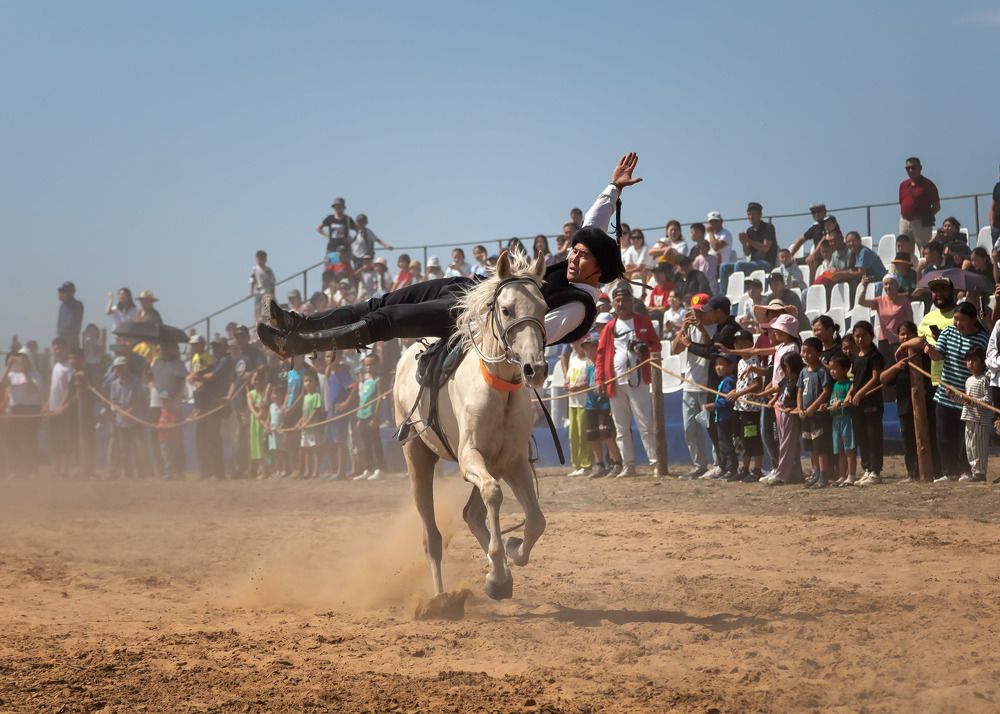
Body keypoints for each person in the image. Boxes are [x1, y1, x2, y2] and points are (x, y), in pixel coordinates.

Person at [258, 152, 643, 356]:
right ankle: (298, 323)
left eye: (582, 256)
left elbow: (527, 339)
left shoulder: (578, 307)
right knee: (379, 303)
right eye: (574, 251)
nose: (573, 257)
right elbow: (593, 223)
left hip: (472, 318)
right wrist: (613, 189)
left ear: (599, 269)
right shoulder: (576, 271)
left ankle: (299, 346)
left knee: (386, 319)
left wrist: (469, 333)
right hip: (468, 288)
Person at [898, 301, 989, 482]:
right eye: (956, 319)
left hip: (967, 397)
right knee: (944, 436)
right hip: (945, 393)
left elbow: (985, 366)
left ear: (973, 320)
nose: (958, 323)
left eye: (962, 320)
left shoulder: (982, 338)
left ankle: (966, 470)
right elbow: (938, 355)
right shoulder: (948, 332)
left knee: (965, 437)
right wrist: (928, 348)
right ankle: (948, 472)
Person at [595, 285, 661, 476]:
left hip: (639, 380)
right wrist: (600, 379)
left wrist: (644, 350)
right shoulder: (609, 327)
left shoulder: (643, 321)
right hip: (616, 382)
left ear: (631, 301)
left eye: (624, 300)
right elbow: (600, 355)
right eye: (617, 300)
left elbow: (656, 345)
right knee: (621, 427)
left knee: (645, 423)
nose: (620, 304)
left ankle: (655, 462)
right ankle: (628, 464)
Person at [880, 321, 939, 482]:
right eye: (902, 334)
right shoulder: (896, 355)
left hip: (927, 402)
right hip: (905, 405)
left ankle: (935, 471)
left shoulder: (922, 349)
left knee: (931, 436)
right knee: (909, 439)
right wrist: (896, 367)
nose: (905, 337)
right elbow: (883, 378)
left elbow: (920, 341)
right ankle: (912, 473)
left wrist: (904, 346)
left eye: (908, 333)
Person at [845, 321, 885, 485]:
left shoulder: (874, 356)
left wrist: (861, 393)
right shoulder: (856, 357)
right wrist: (850, 394)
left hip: (871, 401)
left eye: (863, 336)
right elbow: (855, 380)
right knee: (862, 437)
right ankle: (867, 468)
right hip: (857, 404)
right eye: (857, 336)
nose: (860, 339)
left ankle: (875, 471)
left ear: (871, 336)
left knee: (873, 436)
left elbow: (875, 378)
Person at [726, 329, 764, 483]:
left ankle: (757, 469)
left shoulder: (754, 361)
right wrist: (735, 391)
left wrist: (740, 394)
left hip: (751, 409)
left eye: (743, 343)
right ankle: (745, 468)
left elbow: (757, 385)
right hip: (739, 408)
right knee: (740, 439)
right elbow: (741, 382)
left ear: (751, 344)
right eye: (737, 343)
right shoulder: (740, 362)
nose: (740, 346)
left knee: (752, 438)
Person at [582, 334, 622, 478]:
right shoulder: (589, 368)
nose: (588, 352)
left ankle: (616, 463)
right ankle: (599, 464)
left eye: (591, 348)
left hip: (605, 403)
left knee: (607, 434)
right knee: (592, 435)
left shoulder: (606, 365)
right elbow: (588, 384)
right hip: (591, 404)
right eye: (586, 349)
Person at [798, 338, 833, 489]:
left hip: (818, 415)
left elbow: (826, 391)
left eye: (809, 352)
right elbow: (799, 391)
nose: (805, 355)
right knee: (811, 447)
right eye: (803, 352)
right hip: (806, 415)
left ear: (818, 353)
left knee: (820, 446)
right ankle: (816, 473)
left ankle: (824, 475)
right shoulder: (803, 372)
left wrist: (813, 407)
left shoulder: (822, 371)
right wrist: (800, 408)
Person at [2, 351, 43, 478]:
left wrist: (25, 372)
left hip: (30, 410)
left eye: (23, 360)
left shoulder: (35, 374)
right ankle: (15, 470)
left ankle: (32, 470)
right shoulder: (11, 374)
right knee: (13, 441)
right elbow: (1, 384)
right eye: (18, 360)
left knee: (30, 441)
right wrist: (8, 366)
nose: (21, 362)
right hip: (15, 410)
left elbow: (34, 389)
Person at [151, 340, 188, 480]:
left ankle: (179, 471)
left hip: (174, 405)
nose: (163, 351)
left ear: (173, 349)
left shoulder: (178, 364)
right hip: (157, 403)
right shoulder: (156, 362)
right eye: (161, 348)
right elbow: (149, 376)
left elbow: (179, 383)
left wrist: (171, 398)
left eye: (166, 348)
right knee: (159, 441)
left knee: (176, 441)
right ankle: (162, 470)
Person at [719, 202, 778, 286]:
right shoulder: (749, 231)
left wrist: (748, 240)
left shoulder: (768, 227)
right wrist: (743, 243)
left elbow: (765, 248)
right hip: (753, 263)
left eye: (753, 214)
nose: (750, 217)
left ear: (760, 215)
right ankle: (723, 293)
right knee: (723, 267)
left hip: (767, 263)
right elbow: (747, 253)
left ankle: (739, 289)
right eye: (749, 214)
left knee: (739, 265)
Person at [857, 274, 913, 360]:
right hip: (884, 340)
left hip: (900, 340)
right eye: (886, 284)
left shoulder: (905, 301)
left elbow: (910, 321)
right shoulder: (879, 300)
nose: (888, 286)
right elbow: (861, 302)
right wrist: (864, 287)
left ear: (897, 286)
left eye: (891, 283)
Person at [917, 275, 959, 385]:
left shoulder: (963, 314)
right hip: (937, 380)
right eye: (935, 290)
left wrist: (944, 339)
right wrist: (904, 346)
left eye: (943, 289)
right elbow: (920, 341)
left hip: (960, 379)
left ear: (952, 292)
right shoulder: (927, 318)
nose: (939, 294)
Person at [959, 346, 992, 483]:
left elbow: (988, 401)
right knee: (970, 447)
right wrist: (953, 396)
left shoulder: (985, 379)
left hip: (981, 420)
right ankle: (974, 471)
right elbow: (965, 401)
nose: (970, 363)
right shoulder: (968, 380)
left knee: (979, 446)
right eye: (968, 360)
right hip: (969, 417)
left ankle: (980, 472)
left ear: (982, 361)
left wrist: (972, 401)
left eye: (974, 360)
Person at [108, 355, 143, 480]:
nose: (119, 370)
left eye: (122, 367)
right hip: (121, 421)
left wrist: (130, 411)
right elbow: (113, 402)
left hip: (135, 419)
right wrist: (120, 411)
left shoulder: (136, 382)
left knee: (138, 447)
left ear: (127, 367)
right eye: (117, 368)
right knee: (124, 449)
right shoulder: (114, 384)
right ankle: (128, 473)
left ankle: (141, 472)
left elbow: (140, 399)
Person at [704, 354, 739, 480]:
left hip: (726, 418)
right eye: (716, 364)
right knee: (722, 445)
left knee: (727, 445)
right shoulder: (723, 381)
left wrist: (714, 405)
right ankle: (724, 467)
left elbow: (728, 399)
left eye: (721, 364)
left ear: (731, 366)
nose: (718, 367)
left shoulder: (729, 381)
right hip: (720, 418)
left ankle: (731, 469)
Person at [826, 356, 858, 486]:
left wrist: (841, 402)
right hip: (835, 420)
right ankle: (841, 475)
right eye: (830, 369)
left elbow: (847, 401)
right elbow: (832, 401)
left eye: (835, 368)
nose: (832, 371)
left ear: (845, 369)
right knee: (839, 451)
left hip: (846, 419)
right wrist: (826, 405)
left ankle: (851, 475)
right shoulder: (835, 385)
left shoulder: (849, 384)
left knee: (848, 449)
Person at [324, 350, 355, 481]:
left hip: (339, 414)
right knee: (328, 442)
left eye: (332, 357)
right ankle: (332, 469)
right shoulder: (331, 373)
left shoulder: (342, 372)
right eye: (327, 356)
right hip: (330, 412)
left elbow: (354, 387)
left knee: (340, 442)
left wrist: (345, 404)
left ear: (339, 358)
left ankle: (341, 472)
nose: (329, 359)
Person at [354, 353, 385, 481]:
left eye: (371, 364)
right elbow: (362, 399)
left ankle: (379, 469)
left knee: (375, 442)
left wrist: (375, 417)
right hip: (362, 415)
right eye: (366, 365)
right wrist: (359, 417)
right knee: (365, 443)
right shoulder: (365, 380)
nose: (368, 367)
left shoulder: (378, 380)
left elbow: (379, 399)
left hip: (371, 415)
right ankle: (368, 469)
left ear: (377, 365)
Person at [565, 338, 593, 476]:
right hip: (572, 402)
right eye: (572, 343)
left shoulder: (588, 361)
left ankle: (586, 464)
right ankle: (576, 464)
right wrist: (567, 383)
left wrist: (578, 387)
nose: (574, 346)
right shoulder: (573, 359)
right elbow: (569, 376)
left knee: (583, 433)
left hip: (584, 401)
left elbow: (590, 381)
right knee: (573, 435)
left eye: (576, 343)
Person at [899, 157, 940, 248]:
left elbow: (937, 206)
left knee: (924, 250)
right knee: (904, 251)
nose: (910, 170)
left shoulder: (928, 185)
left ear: (920, 168)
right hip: (905, 221)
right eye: (908, 168)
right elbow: (902, 203)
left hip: (921, 222)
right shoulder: (903, 185)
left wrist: (927, 216)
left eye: (913, 167)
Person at [298, 372, 323, 479]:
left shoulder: (316, 396)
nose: (308, 383)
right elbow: (304, 414)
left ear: (316, 383)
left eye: (310, 381)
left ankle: (316, 471)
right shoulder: (305, 397)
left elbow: (315, 410)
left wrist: (307, 422)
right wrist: (299, 423)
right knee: (306, 450)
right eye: (306, 381)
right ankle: (308, 471)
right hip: (305, 430)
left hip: (313, 428)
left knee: (314, 450)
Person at [246, 369, 271, 480]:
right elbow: (251, 407)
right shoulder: (250, 394)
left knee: (264, 445)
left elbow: (266, 407)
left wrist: (263, 417)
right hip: (255, 423)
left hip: (265, 423)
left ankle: (266, 470)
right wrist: (257, 415)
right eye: (254, 379)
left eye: (258, 379)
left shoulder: (266, 393)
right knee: (257, 447)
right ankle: (261, 469)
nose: (256, 382)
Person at [250, 250, 277, 320]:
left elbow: (273, 282)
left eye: (262, 258)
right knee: (257, 308)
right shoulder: (255, 269)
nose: (260, 260)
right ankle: (257, 322)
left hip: (268, 292)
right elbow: (252, 281)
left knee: (267, 308)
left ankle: (268, 320)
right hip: (258, 292)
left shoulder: (269, 270)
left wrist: (273, 293)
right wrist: (251, 292)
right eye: (258, 258)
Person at [57, 281, 84, 349]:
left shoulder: (77, 305)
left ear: (72, 292)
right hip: (62, 340)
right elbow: (59, 323)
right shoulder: (62, 306)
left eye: (67, 291)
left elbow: (73, 323)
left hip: (71, 341)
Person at [267, 386, 286, 478]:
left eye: (277, 394)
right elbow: (269, 418)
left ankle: (283, 470)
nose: (275, 396)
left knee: (281, 451)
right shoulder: (271, 406)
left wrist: (281, 427)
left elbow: (285, 420)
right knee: (274, 452)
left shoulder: (283, 407)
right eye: (273, 394)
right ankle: (277, 470)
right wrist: (267, 428)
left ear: (282, 395)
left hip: (280, 432)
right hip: (272, 432)